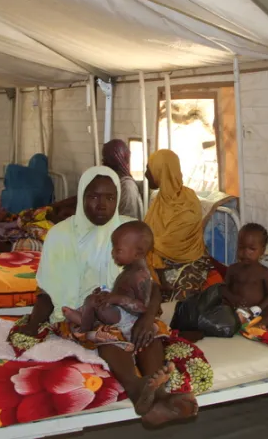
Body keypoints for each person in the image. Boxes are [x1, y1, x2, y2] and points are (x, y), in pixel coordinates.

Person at [12, 166, 198, 426]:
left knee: (149, 333)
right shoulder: (61, 235)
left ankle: (159, 395)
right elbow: (47, 290)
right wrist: (33, 326)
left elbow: (151, 284)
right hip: (81, 312)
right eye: (94, 196)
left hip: (127, 308)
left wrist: (147, 317)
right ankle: (137, 389)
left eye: (110, 197)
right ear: (82, 196)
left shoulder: (127, 230)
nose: (102, 205)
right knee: (107, 334)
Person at [63, 221, 154, 339]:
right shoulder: (129, 269)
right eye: (113, 248)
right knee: (95, 299)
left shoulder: (139, 276)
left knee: (94, 302)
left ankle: (84, 329)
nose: (112, 253)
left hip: (128, 319)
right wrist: (106, 294)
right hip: (119, 309)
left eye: (118, 250)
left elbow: (142, 307)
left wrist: (116, 299)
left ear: (138, 254)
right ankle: (86, 321)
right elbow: (122, 292)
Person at [144, 149, 209, 301]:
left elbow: (175, 243)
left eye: (149, 169)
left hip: (188, 261)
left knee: (179, 301)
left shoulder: (189, 202)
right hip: (158, 262)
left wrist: (144, 244)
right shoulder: (158, 201)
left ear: (161, 172)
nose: (146, 174)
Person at [222, 223, 268, 329]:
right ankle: (237, 322)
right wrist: (232, 299)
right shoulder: (232, 269)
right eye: (241, 247)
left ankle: (259, 326)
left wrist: (258, 308)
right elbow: (224, 289)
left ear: (262, 250)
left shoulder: (264, 272)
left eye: (252, 249)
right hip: (235, 310)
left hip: (256, 312)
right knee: (220, 308)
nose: (245, 253)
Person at [103, 139, 144, 219]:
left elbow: (128, 221)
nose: (103, 162)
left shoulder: (127, 186)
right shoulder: (114, 183)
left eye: (106, 159)